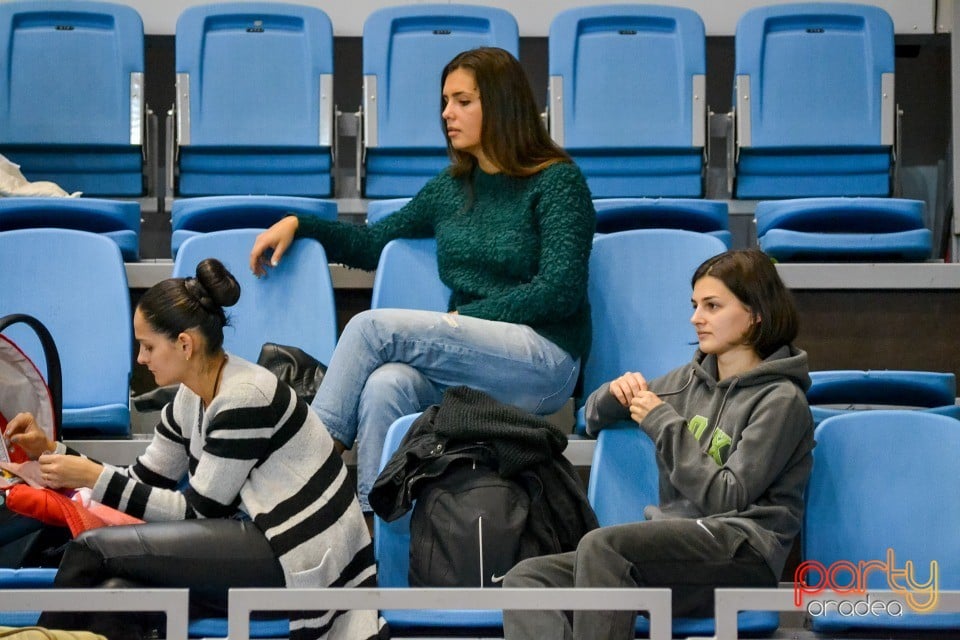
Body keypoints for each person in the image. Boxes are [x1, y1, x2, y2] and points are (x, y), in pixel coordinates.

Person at [249, 46, 595, 514]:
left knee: (371, 328)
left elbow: (560, 288)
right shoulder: (451, 187)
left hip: (544, 361)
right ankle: (379, 535)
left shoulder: (556, 182)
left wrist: (465, 317)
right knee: (385, 384)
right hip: (471, 360)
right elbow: (371, 244)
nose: (447, 113)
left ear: (501, 104)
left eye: (463, 101)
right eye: (445, 101)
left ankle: (307, 465)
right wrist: (300, 223)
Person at [3, 259, 384, 640]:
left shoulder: (245, 397)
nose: (140, 359)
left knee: (91, 550)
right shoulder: (190, 397)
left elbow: (197, 512)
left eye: (148, 346)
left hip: (298, 556)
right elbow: (139, 481)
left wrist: (90, 476)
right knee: (116, 596)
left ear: (185, 344)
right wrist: (51, 450)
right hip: (253, 538)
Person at [502, 249, 816, 640]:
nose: (696, 318)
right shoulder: (688, 381)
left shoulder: (781, 400)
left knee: (604, 548)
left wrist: (661, 421)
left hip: (742, 554)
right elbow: (592, 417)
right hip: (672, 554)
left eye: (712, 306)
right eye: (695, 305)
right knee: (530, 579)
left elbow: (727, 496)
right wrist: (614, 395)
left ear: (755, 314)